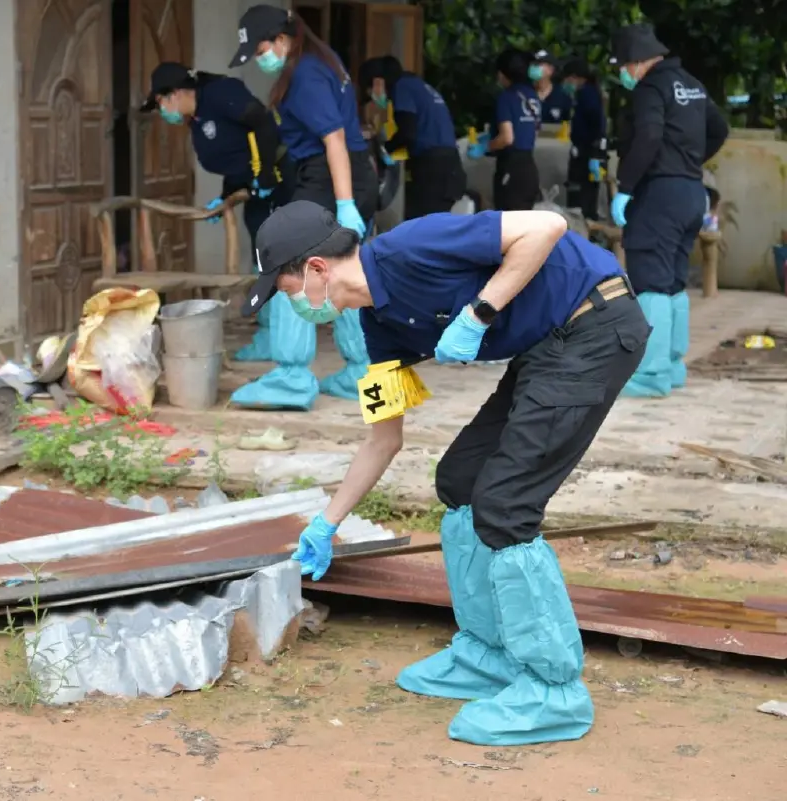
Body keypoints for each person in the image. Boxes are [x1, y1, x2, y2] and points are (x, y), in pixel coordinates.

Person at [242, 199, 649, 746]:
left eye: (285, 289)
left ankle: (554, 689)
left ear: (316, 269)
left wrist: (478, 313)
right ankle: (487, 654)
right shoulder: (378, 328)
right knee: (460, 481)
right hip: (546, 345)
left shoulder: (413, 246)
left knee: (505, 505)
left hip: (594, 323)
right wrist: (327, 522)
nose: (291, 303)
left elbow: (547, 226)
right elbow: (384, 438)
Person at [226, 4, 379, 407]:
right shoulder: (319, 60)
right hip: (345, 174)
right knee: (339, 268)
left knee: (286, 263)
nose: (260, 61)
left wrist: (344, 203)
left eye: (261, 51)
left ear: (281, 40)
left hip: (330, 176)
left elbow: (334, 140)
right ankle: (363, 372)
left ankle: (292, 378)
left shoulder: (307, 73)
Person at [139, 61, 292, 362]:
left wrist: (266, 176)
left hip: (280, 178)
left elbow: (262, 123)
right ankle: (269, 334)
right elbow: (235, 159)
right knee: (262, 254)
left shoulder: (220, 94)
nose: (163, 112)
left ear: (175, 94)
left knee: (281, 256)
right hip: (255, 188)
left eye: (160, 103)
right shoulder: (196, 120)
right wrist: (224, 198)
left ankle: (287, 341)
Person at [609, 23, 729, 397]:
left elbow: (648, 135)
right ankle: (673, 366)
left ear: (636, 62)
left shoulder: (651, 87)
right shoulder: (691, 84)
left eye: (623, 67)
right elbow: (720, 129)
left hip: (659, 196)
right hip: (692, 192)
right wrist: (688, 160)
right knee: (674, 281)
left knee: (650, 280)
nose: (623, 74)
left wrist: (625, 188)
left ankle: (651, 373)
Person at [360, 55, 466, 219]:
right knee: (437, 225)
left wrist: (386, 150)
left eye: (369, 92)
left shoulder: (402, 88)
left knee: (419, 225)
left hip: (432, 169)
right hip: (450, 166)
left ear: (377, 82)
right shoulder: (419, 86)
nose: (373, 99)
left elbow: (407, 133)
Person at [470, 48, 541, 211]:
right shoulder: (532, 97)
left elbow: (507, 138)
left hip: (511, 170)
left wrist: (486, 146)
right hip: (529, 168)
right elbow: (533, 130)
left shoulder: (506, 97)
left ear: (502, 73)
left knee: (507, 222)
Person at [560, 58, 608, 221]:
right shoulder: (583, 94)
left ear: (575, 77)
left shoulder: (588, 95)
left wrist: (595, 152)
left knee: (582, 196)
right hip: (585, 150)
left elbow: (598, 125)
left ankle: (584, 224)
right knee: (584, 193)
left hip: (588, 152)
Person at [530, 50, 574, 124]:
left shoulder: (562, 96)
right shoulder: (523, 93)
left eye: (538, 64)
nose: (533, 67)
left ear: (550, 70)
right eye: (532, 64)